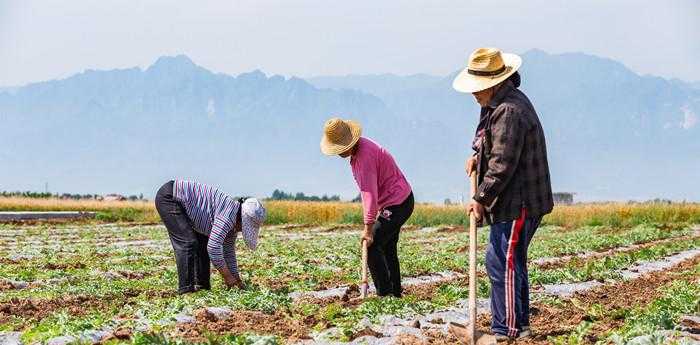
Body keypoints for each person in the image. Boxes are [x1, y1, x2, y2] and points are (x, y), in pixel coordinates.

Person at [453, 48, 553, 340]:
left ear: (494, 83)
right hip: (512, 198)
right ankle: (519, 327)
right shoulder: (493, 103)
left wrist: (480, 197)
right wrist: (475, 154)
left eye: (478, 88)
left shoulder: (509, 110)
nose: (474, 94)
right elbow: (485, 137)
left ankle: (505, 330)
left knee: (501, 261)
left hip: (519, 200)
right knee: (511, 260)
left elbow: (502, 164)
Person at [320, 118, 414, 298]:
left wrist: (368, 228)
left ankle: (385, 294)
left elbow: (369, 194)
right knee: (387, 247)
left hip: (398, 202)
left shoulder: (364, 157)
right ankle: (394, 294)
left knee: (372, 244)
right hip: (399, 200)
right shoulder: (359, 150)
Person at [154, 180, 266, 294]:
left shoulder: (233, 226)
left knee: (203, 242)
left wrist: (236, 279)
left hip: (184, 204)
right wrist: (228, 277)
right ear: (242, 219)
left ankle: (202, 288)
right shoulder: (228, 216)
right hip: (171, 197)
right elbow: (213, 248)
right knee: (188, 243)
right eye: (245, 227)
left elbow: (228, 252)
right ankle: (186, 290)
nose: (242, 230)